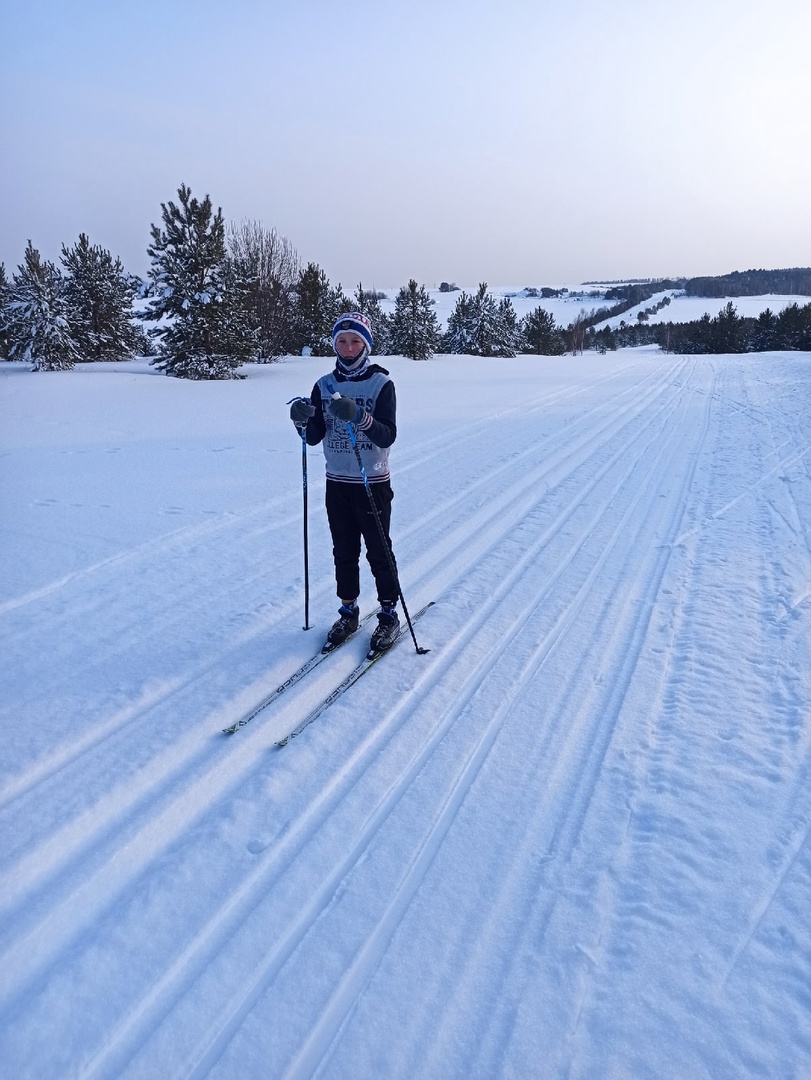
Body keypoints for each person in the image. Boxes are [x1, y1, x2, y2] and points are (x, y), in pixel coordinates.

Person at [289, 312, 401, 654]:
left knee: (378, 550)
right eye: (342, 341)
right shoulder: (323, 385)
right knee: (344, 550)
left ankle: (387, 614)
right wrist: (301, 421)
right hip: (337, 482)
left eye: (355, 341)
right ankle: (348, 610)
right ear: (334, 344)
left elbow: (388, 434)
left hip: (372, 481)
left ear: (366, 344)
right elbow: (314, 436)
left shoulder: (381, 385)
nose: (348, 348)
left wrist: (359, 416)